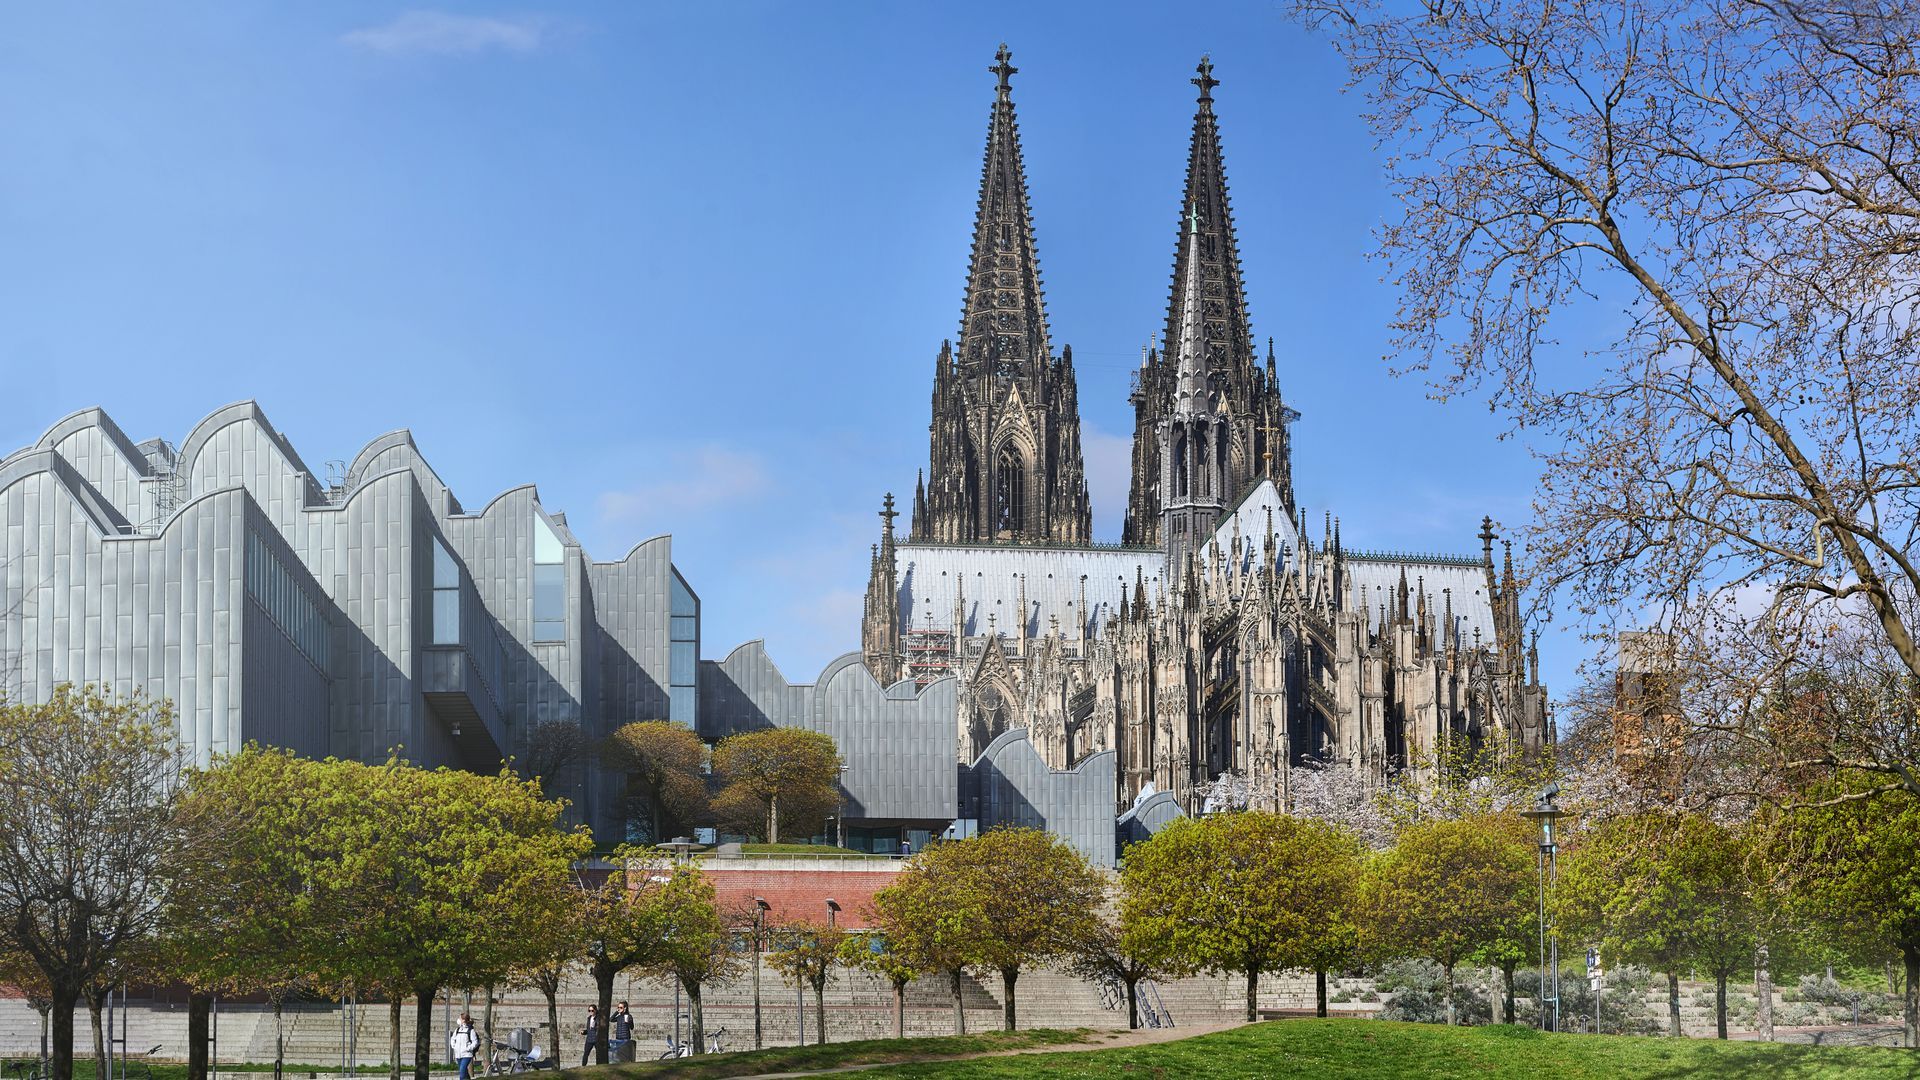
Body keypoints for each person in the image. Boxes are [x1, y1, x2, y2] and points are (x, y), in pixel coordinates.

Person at [449, 1015, 479, 1080]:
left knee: (462, 1072)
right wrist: (454, 1046)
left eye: (460, 1018)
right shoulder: (457, 1030)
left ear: (464, 1020)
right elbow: (452, 1039)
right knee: (464, 1072)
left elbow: (475, 1042)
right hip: (458, 1054)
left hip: (467, 1054)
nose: (458, 1020)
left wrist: (468, 1048)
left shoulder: (470, 1030)